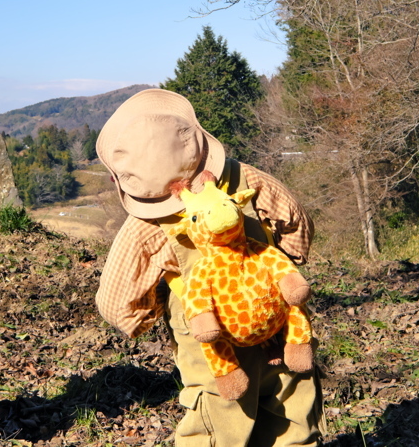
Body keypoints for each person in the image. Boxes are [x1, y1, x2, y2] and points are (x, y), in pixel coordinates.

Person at [95, 89, 323, 446]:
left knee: (217, 419)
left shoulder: (145, 227)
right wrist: (287, 264)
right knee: (291, 403)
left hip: (209, 335)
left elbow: (117, 303)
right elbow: (296, 224)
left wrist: (150, 313)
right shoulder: (249, 179)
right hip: (277, 317)